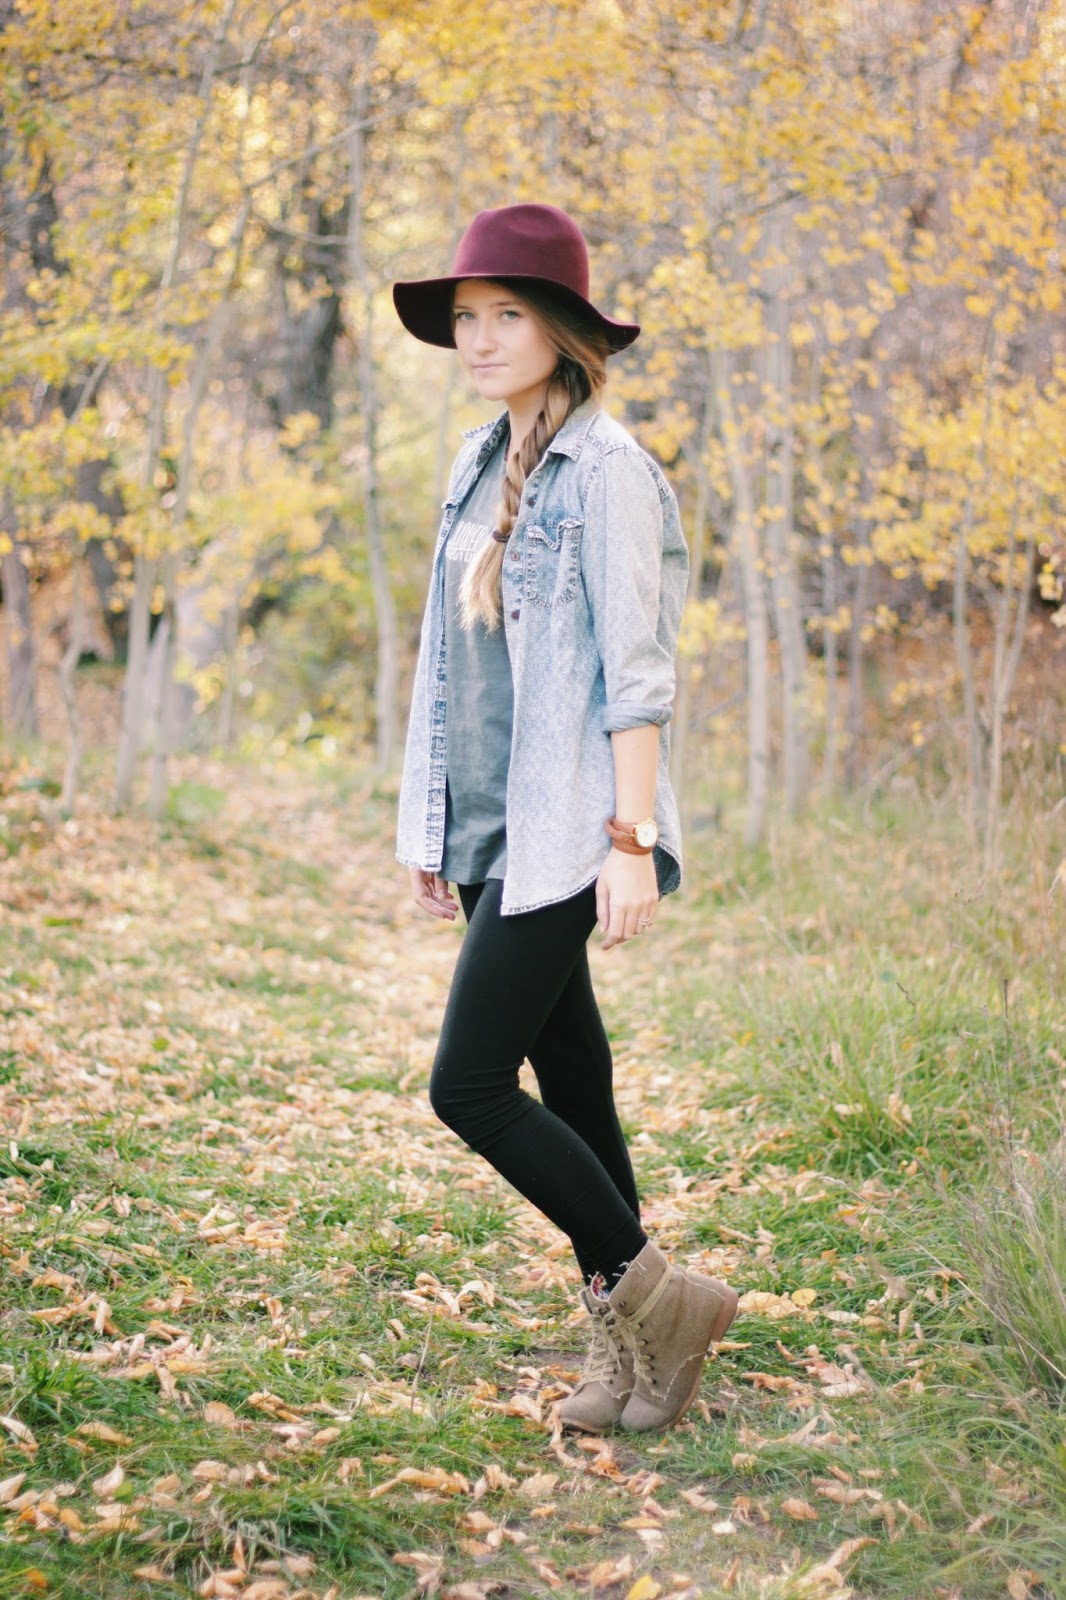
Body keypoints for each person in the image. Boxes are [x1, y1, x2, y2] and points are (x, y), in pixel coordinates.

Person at [393, 203, 738, 1433]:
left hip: (571, 824)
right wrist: (434, 824)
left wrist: (629, 840)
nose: (479, 338)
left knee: (469, 1086)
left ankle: (667, 1303)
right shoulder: (476, 460)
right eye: (465, 317)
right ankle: (637, 1346)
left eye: (506, 315)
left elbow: (637, 674)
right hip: (492, 822)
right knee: (574, 1079)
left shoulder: (610, 473)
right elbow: (454, 663)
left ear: (561, 329)